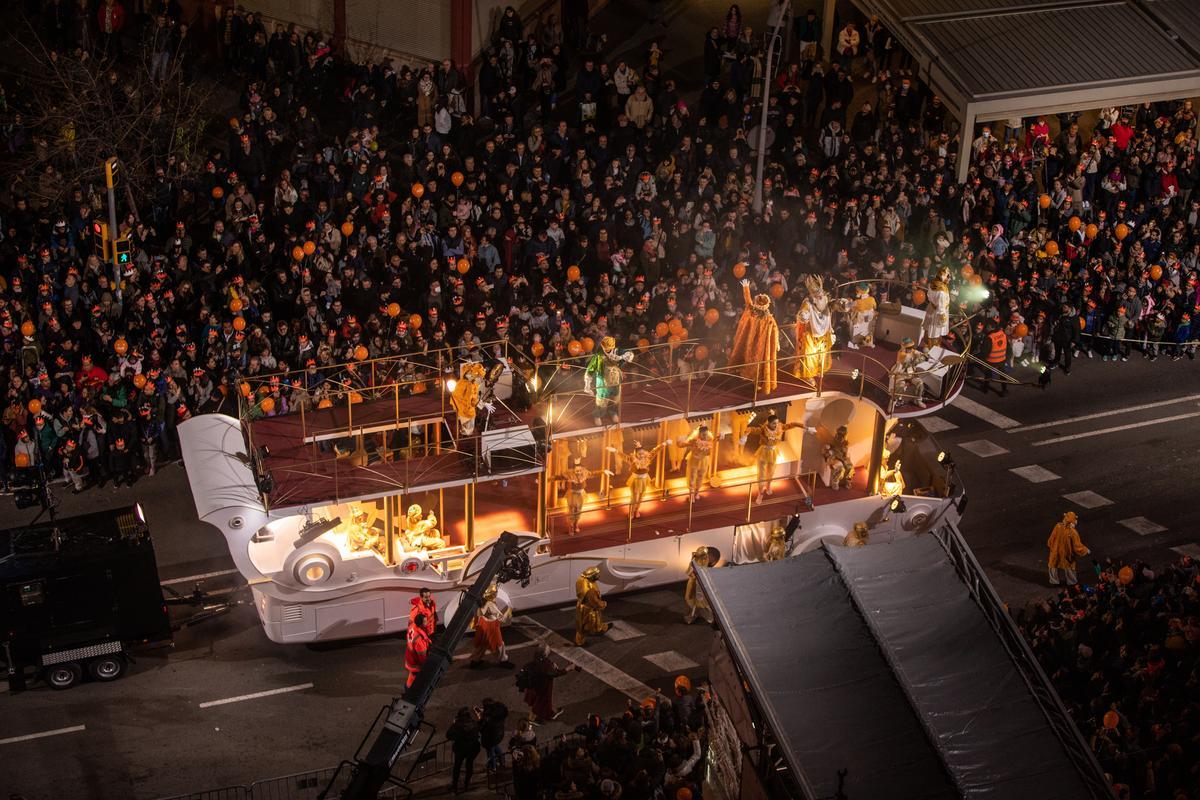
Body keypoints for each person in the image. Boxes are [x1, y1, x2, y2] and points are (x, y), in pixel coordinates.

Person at [729, 278, 780, 394]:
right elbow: (748, 303)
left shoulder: (768, 319)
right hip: (750, 341)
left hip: (762, 345)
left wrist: (776, 342)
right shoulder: (753, 312)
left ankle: (758, 382)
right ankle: (748, 378)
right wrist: (746, 288)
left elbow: (775, 330)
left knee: (759, 363)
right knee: (748, 359)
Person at [741, 409, 802, 504]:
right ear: (768, 423)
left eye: (777, 423)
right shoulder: (763, 429)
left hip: (773, 452)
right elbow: (752, 429)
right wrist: (745, 434)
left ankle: (768, 485)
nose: (776, 425)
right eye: (774, 424)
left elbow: (792, 424)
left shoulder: (780, 427)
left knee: (772, 471)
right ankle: (760, 493)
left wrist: (806, 427)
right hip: (764, 453)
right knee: (761, 474)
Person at [584, 336, 634, 426]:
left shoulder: (617, 351)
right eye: (606, 349)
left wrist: (623, 356)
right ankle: (598, 415)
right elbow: (590, 370)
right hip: (603, 381)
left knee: (616, 399)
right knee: (602, 401)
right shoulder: (598, 356)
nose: (608, 350)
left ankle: (613, 412)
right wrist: (587, 385)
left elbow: (630, 353)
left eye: (610, 348)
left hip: (616, 379)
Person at [522, 642, 577, 721]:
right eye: (548, 651)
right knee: (543, 701)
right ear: (545, 653)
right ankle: (544, 715)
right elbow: (555, 673)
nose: (549, 651)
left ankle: (534, 715)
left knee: (536, 700)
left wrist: (552, 665)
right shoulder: (546, 664)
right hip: (542, 686)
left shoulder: (537, 658)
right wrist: (569, 668)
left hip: (533, 684)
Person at [796, 274, 835, 379]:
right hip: (811, 334)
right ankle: (809, 376)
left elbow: (830, 309)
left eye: (820, 291)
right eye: (816, 293)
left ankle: (820, 370)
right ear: (812, 293)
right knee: (810, 356)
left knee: (822, 355)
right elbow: (803, 313)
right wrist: (803, 315)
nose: (820, 295)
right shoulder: (808, 302)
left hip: (824, 333)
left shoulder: (825, 299)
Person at [469, 584, 514, 668]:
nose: (497, 593)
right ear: (493, 594)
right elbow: (501, 618)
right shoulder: (490, 604)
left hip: (484, 624)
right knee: (499, 644)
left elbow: (480, 613)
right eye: (495, 592)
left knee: (482, 644)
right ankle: (503, 661)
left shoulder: (484, 603)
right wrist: (508, 609)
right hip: (491, 626)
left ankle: (475, 661)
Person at [620, 440, 666, 519]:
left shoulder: (647, 458)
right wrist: (616, 451)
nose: (641, 455)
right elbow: (624, 457)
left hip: (644, 479)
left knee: (641, 496)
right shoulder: (633, 460)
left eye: (642, 453)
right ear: (636, 454)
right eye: (639, 454)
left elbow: (654, 451)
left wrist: (663, 444)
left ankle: (637, 509)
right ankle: (631, 511)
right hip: (635, 480)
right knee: (634, 497)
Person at [1047, 511, 1089, 586]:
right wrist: (1085, 550)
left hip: (1055, 552)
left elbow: (1051, 539)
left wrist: (1052, 547)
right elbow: (1077, 546)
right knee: (1069, 567)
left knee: (1053, 565)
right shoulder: (1073, 532)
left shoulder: (1058, 526)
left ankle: (1054, 581)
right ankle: (1072, 582)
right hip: (1066, 554)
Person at [446, 706, 481, 794]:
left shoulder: (458, 724)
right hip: (473, 749)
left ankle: (455, 785)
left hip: (460, 749)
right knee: (469, 766)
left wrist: (453, 724)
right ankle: (466, 784)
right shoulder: (474, 723)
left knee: (457, 767)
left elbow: (449, 735)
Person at [676, 424, 714, 503]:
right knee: (692, 477)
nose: (704, 436)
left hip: (704, 460)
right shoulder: (693, 439)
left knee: (701, 476)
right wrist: (679, 441)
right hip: (694, 460)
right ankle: (691, 495)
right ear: (699, 433)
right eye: (703, 434)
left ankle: (697, 492)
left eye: (705, 434)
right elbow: (682, 444)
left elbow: (714, 442)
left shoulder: (710, 438)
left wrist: (720, 436)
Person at [574, 565, 609, 645]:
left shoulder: (582, 580)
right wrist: (603, 604)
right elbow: (595, 602)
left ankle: (601, 628)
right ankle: (579, 641)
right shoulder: (590, 590)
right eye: (597, 575)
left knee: (587, 623)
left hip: (582, 606)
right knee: (584, 626)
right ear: (592, 576)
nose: (598, 576)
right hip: (589, 610)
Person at [558, 457, 591, 534]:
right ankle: (571, 526)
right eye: (577, 470)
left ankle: (576, 524)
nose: (578, 472)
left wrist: (603, 471)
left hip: (581, 493)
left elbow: (592, 473)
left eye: (579, 470)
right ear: (573, 470)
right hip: (572, 494)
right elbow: (557, 477)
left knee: (579, 510)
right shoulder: (569, 474)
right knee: (571, 511)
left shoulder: (584, 473)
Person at [683, 547, 712, 624]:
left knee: (701, 601)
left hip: (700, 583)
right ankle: (693, 614)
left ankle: (707, 616)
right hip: (693, 582)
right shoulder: (694, 560)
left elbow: (704, 571)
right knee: (689, 598)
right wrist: (693, 575)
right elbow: (689, 571)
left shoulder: (706, 560)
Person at [822, 425, 854, 489]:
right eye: (840, 434)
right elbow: (825, 451)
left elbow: (845, 454)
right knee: (840, 467)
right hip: (833, 458)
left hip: (841, 458)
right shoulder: (832, 440)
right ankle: (835, 481)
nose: (841, 436)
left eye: (844, 435)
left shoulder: (846, 443)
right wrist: (828, 451)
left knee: (850, 466)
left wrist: (846, 460)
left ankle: (848, 481)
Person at [405, 612, 431, 688]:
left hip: (410, 656)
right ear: (420, 624)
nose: (427, 622)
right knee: (415, 676)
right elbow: (422, 656)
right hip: (415, 662)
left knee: (412, 675)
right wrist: (426, 665)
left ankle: (408, 687)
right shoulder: (419, 640)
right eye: (425, 621)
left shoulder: (412, 626)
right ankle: (410, 690)